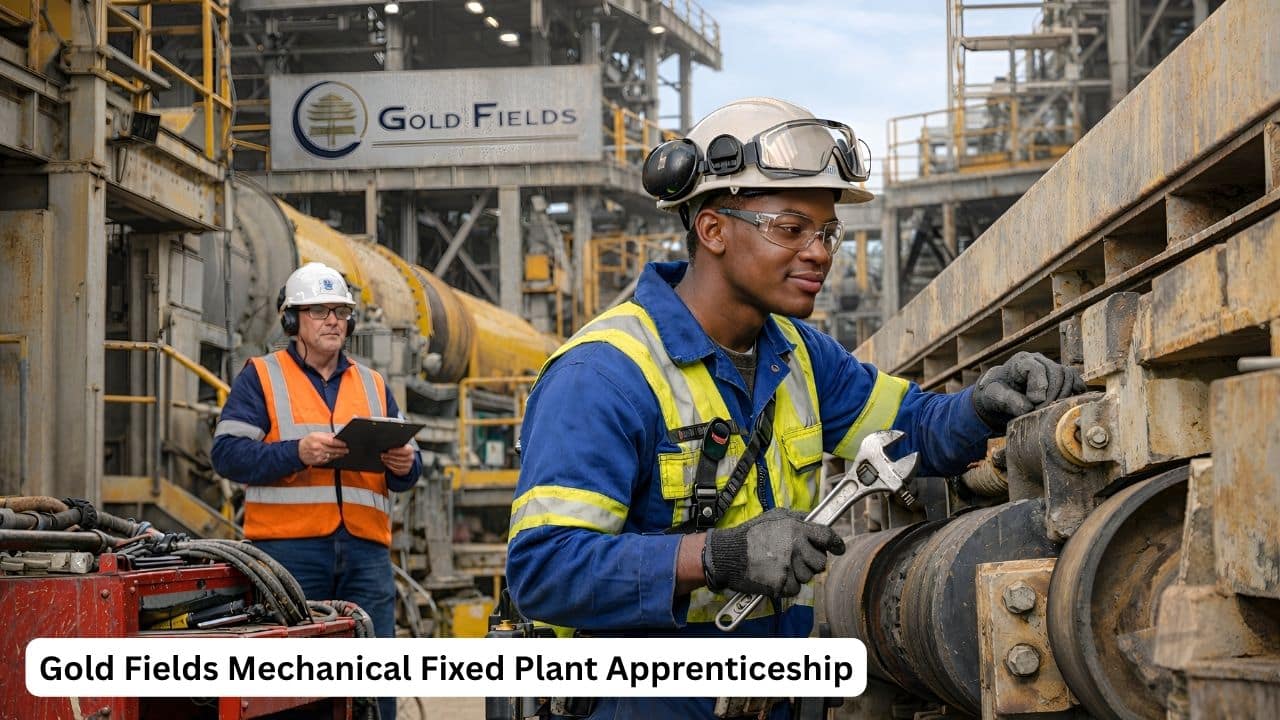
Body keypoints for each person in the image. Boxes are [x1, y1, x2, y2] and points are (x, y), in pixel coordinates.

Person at [504, 98, 1085, 720]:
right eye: (790, 228)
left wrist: (984, 405)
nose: (820, 252)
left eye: (827, 231)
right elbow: (545, 569)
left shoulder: (801, 357)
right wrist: (721, 556)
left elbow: (914, 430)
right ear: (713, 229)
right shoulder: (603, 376)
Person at [211, 262, 420, 720]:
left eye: (341, 312)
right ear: (293, 321)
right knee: (295, 679)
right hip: (289, 554)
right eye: (319, 311)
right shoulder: (261, 377)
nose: (333, 321)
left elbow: (408, 465)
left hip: (365, 553)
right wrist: (295, 453)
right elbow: (226, 455)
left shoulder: (372, 383)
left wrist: (407, 465)